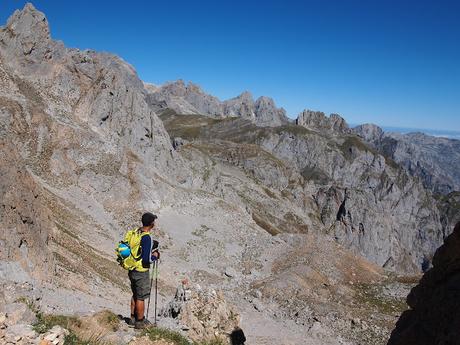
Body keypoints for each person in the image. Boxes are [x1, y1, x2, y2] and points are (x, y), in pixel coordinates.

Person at [128, 212, 160, 329]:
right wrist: (155, 256)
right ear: (151, 223)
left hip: (132, 268)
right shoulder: (147, 237)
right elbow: (147, 259)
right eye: (154, 221)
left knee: (135, 294)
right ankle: (140, 322)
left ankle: (132, 318)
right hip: (141, 270)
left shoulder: (136, 232)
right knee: (141, 297)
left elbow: (138, 250)